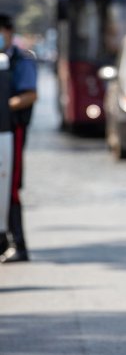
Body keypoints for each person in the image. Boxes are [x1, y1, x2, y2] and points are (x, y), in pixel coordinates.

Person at [0, 13, 37, 263]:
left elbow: (29, 94)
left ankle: (18, 243)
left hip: (10, 131)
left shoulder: (20, 61)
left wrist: (4, 104)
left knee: (10, 186)